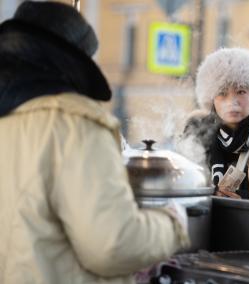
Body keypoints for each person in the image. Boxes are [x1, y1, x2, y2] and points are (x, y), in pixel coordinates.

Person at [0, 2, 189, 284]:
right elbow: (113, 244)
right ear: (77, 64)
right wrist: (172, 222)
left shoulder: (9, 119)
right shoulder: (76, 123)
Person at [180, 47, 249, 199]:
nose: (232, 102)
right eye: (222, 93)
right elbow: (185, 183)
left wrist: (244, 199)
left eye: (241, 91)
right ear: (211, 99)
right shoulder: (197, 133)